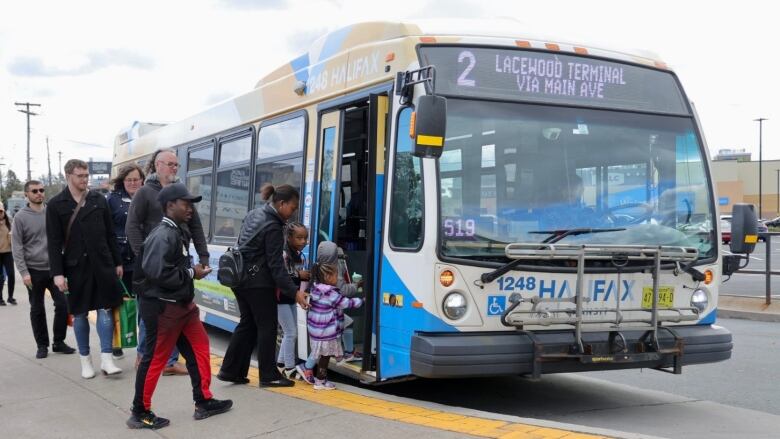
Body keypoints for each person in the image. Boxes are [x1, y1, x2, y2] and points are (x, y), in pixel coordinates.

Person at [128, 182, 231, 429]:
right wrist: (191, 272)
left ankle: (204, 400)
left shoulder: (175, 230)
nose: (191, 209)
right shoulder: (164, 234)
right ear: (169, 205)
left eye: (192, 205)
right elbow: (157, 273)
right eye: (186, 204)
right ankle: (139, 412)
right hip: (165, 308)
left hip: (182, 306)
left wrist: (190, 273)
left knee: (199, 348)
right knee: (155, 358)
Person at [126, 148, 209, 375]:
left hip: (178, 260)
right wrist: (142, 256)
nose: (174, 168)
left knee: (173, 309)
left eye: (176, 165)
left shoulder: (182, 192)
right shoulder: (145, 192)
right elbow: (132, 226)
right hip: (153, 264)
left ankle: (170, 361)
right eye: (170, 164)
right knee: (152, 311)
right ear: (157, 165)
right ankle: (144, 356)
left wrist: (204, 256)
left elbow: (196, 227)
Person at [218, 183, 308, 387]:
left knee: (247, 324)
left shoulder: (254, 214)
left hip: (240, 278)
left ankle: (230, 370)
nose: (292, 213)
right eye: (293, 208)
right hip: (258, 284)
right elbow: (276, 266)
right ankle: (269, 375)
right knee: (267, 327)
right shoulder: (273, 226)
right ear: (282, 203)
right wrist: (295, 292)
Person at [47, 159, 123, 378]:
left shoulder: (98, 199)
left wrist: (116, 262)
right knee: (79, 315)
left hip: (102, 265)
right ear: (68, 176)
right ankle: (86, 361)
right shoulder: (56, 205)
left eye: (86, 175)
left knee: (105, 310)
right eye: (80, 176)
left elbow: (110, 234)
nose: (84, 179)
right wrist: (58, 273)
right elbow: (53, 242)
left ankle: (107, 359)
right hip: (74, 268)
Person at [11, 182, 75, 358]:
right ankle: (42, 345)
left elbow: (63, 239)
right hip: (33, 271)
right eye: (34, 191)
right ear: (27, 194)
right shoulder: (20, 217)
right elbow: (17, 247)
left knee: (62, 305)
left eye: (41, 190)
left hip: (54, 269)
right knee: (37, 308)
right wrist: (24, 272)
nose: (39, 193)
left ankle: (58, 342)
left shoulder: (51, 212)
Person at [295, 256, 363, 390]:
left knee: (320, 355)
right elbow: (346, 303)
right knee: (325, 358)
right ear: (327, 277)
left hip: (316, 330)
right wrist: (362, 300)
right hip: (325, 332)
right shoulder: (330, 293)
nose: (337, 278)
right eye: (335, 276)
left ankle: (317, 376)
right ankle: (320, 381)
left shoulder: (316, 289)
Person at [106, 163, 145, 360]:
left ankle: (142, 347)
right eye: (129, 180)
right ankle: (116, 343)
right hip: (120, 260)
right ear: (123, 181)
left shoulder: (147, 197)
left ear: (142, 180)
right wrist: (113, 261)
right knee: (118, 303)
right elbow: (106, 231)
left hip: (142, 259)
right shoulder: (112, 200)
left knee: (143, 303)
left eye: (136, 179)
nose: (132, 183)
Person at [314, 241, 363, 363]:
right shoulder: (332, 272)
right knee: (322, 348)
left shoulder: (319, 267)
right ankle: (308, 368)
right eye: (338, 254)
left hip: (321, 315)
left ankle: (347, 353)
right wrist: (357, 286)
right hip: (330, 316)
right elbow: (344, 291)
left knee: (345, 325)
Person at [276, 221, 309, 379]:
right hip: (279, 299)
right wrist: (299, 275)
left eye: (305, 238)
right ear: (289, 238)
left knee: (290, 331)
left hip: (290, 297)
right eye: (299, 238)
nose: (303, 241)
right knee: (291, 333)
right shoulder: (283, 254)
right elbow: (280, 276)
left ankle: (281, 363)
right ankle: (290, 368)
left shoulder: (296, 254)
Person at [0, 202, 15, 305]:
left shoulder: (9, 222)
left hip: (8, 253)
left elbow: (13, 238)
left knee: (11, 275)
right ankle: (0, 298)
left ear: (3, 211)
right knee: (0, 277)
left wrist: (11, 236)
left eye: (0, 211)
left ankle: (10, 297)